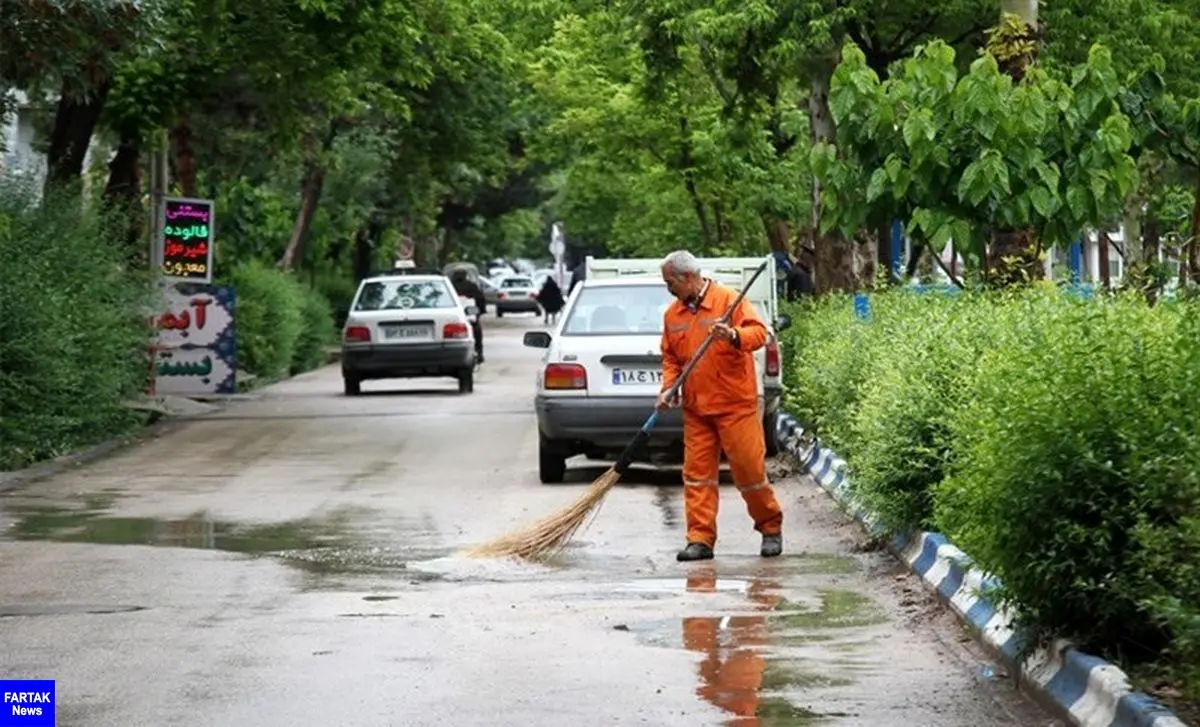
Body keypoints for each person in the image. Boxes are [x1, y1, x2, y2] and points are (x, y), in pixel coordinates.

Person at [657, 249, 784, 561]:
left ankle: (770, 528)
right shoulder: (673, 315)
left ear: (687, 278)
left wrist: (733, 335)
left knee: (749, 473)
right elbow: (672, 358)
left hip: (736, 405)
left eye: (670, 281)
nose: (668, 288)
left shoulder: (729, 300)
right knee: (697, 476)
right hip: (697, 408)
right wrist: (668, 388)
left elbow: (759, 334)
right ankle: (699, 539)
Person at [450, 270, 486, 364]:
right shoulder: (471, 286)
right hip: (470, 313)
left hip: (452, 314)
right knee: (477, 330)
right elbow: (480, 299)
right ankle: (479, 352)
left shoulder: (449, 286)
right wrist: (480, 311)